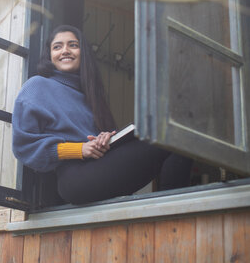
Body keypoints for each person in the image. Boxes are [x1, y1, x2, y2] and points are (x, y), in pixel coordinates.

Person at [12, 25, 193, 205]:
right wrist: (80, 149)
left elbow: (98, 145)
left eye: (73, 45)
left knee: (175, 135)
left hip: (100, 167)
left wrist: (105, 138)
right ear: (49, 56)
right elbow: (24, 146)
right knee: (171, 138)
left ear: (83, 53)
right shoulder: (37, 86)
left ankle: (172, 204)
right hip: (74, 178)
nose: (65, 51)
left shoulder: (90, 94)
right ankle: (171, 209)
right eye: (57, 47)